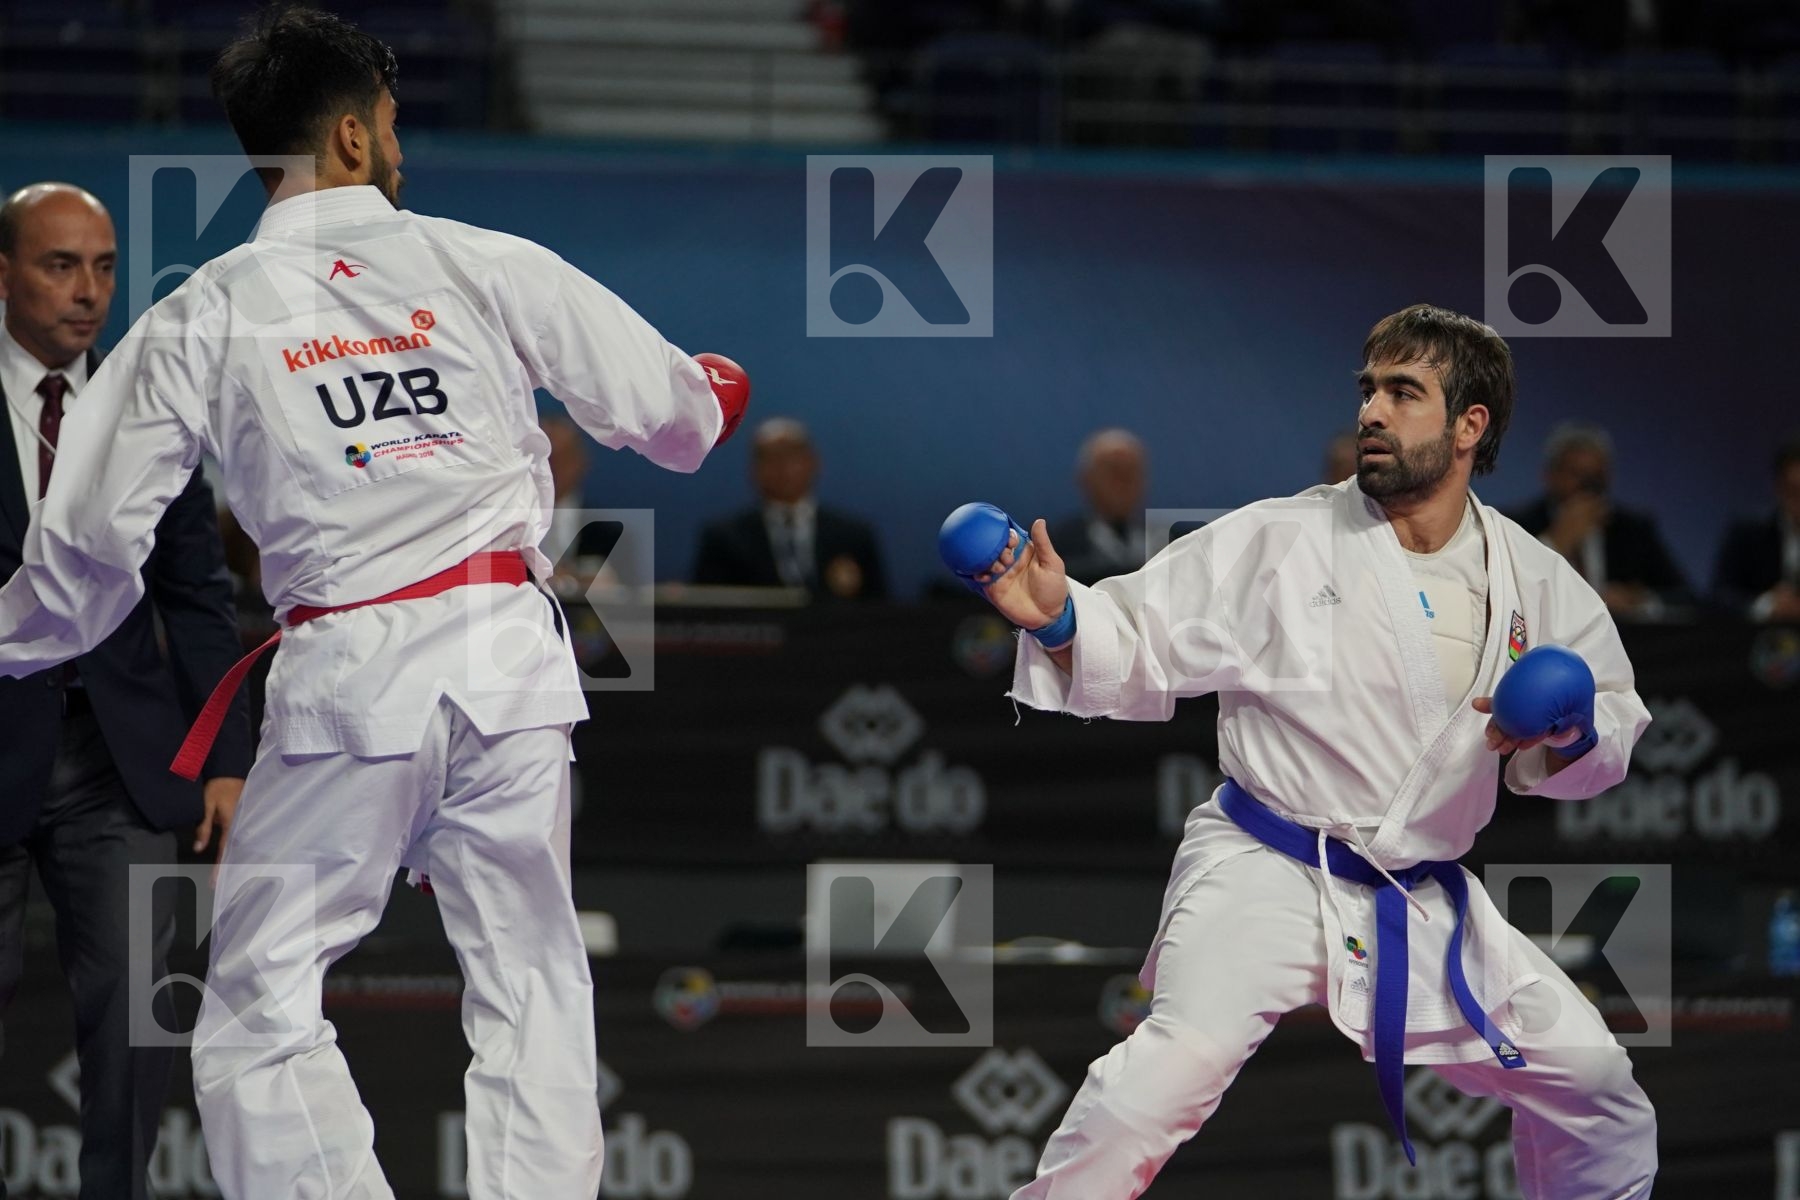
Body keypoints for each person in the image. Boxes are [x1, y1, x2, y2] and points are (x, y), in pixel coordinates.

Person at [0, 8, 748, 1198]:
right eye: (391, 125)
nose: (400, 145)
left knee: (258, 1001)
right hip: (509, 674)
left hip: (351, 687)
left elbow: (90, 545)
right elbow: (669, 418)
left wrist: (12, 640)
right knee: (533, 979)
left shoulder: (204, 312)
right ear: (350, 135)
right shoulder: (484, 262)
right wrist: (711, 394)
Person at [968, 304, 1656, 1198]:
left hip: (1420, 890)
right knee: (1151, 1090)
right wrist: (1061, 617)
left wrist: (1572, 730)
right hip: (1268, 863)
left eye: (1404, 392)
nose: (1371, 410)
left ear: (1469, 426)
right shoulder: (1278, 539)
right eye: (1368, 389)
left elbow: (1613, 720)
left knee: (1598, 1091)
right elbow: (1135, 634)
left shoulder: (1536, 577)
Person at [0, 182, 251, 1200]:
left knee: (141, 1007)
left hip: (119, 758)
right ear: (4, 274)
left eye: (104, 267)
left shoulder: (146, 404)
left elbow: (198, 594)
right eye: (62, 265)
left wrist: (227, 758)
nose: (89, 291)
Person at [691, 416, 887, 599]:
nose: (783, 467)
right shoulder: (725, 539)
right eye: (770, 458)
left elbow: (880, 614)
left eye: (792, 456)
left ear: (813, 462)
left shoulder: (853, 537)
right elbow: (710, 614)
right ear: (754, 470)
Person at [1507, 422, 1689, 618]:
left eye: (1597, 476)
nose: (1589, 486)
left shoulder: (1634, 531)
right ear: (1550, 475)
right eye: (1577, 474)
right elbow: (1503, 590)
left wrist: (1641, 602)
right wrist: (1554, 542)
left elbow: (1685, 597)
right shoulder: (1516, 524)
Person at [1712, 436, 1800, 621]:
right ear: (1778, 487)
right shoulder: (1749, 533)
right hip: (1758, 642)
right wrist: (1766, 605)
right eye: (1793, 491)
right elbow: (1719, 598)